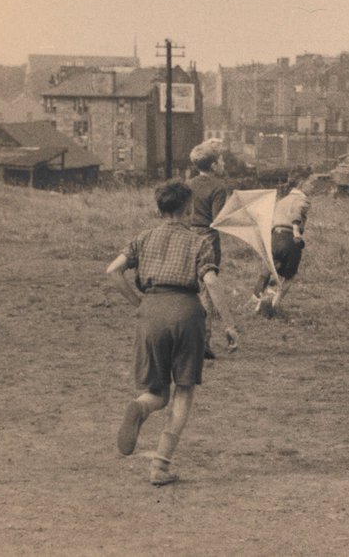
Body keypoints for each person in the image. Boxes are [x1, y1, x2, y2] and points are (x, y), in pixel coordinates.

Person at [106, 180, 239, 486]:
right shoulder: (198, 242)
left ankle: (140, 407)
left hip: (151, 312)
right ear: (189, 208)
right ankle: (161, 466)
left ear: (160, 208)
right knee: (183, 389)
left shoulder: (143, 238)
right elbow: (212, 282)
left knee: (157, 392)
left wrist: (138, 301)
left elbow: (112, 270)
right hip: (185, 313)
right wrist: (229, 324)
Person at [186, 140, 227, 359]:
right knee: (207, 292)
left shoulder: (188, 184)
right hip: (208, 239)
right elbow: (217, 220)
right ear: (213, 165)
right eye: (221, 160)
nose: (223, 164)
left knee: (189, 288)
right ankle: (204, 342)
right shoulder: (218, 187)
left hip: (188, 236)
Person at [251, 173, 311, 317]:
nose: (313, 187)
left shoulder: (281, 200)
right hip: (290, 238)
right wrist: (296, 231)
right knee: (289, 276)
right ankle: (274, 306)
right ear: (301, 185)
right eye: (310, 183)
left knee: (268, 270)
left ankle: (256, 303)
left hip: (275, 237)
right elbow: (296, 213)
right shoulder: (302, 199)